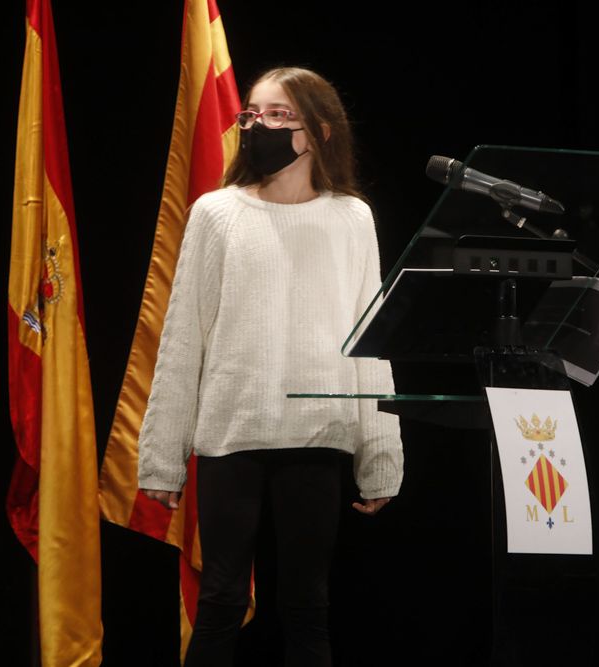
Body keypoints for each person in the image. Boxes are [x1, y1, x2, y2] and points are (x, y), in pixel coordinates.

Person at [136, 66, 404, 667]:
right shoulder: (216, 214)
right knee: (222, 599)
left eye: (280, 115)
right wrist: (161, 459)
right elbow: (183, 338)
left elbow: (371, 338)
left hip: (317, 434)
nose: (261, 125)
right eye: (253, 114)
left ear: (320, 132)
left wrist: (380, 456)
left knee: (308, 606)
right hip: (232, 436)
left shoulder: (351, 218)